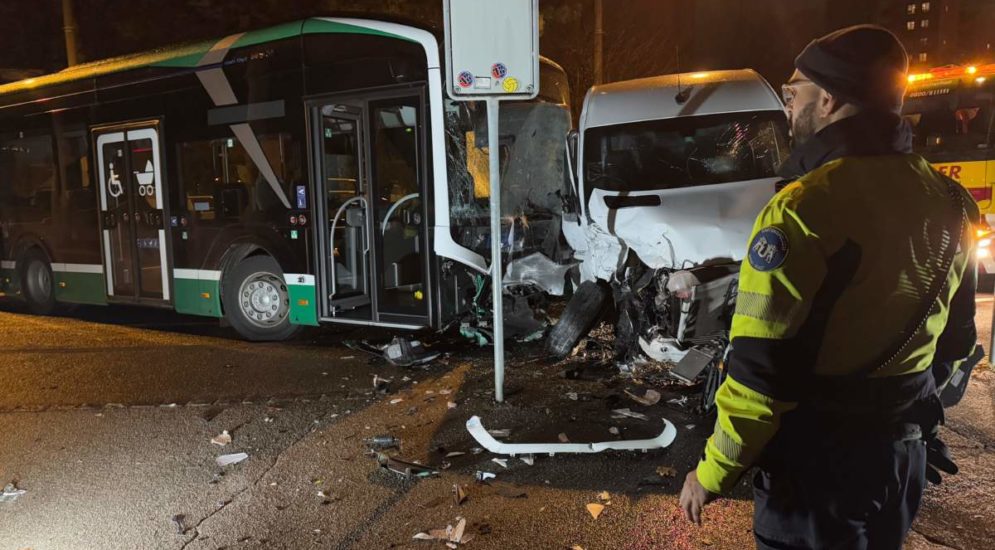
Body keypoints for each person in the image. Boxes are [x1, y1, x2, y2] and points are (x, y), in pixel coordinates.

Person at [679, 25, 979, 549]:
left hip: (817, 480)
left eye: (793, 92)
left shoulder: (804, 208)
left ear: (831, 98)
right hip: (900, 464)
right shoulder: (951, 201)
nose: (789, 106)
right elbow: (955, 347)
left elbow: (759, 374)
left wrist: (712, 473)